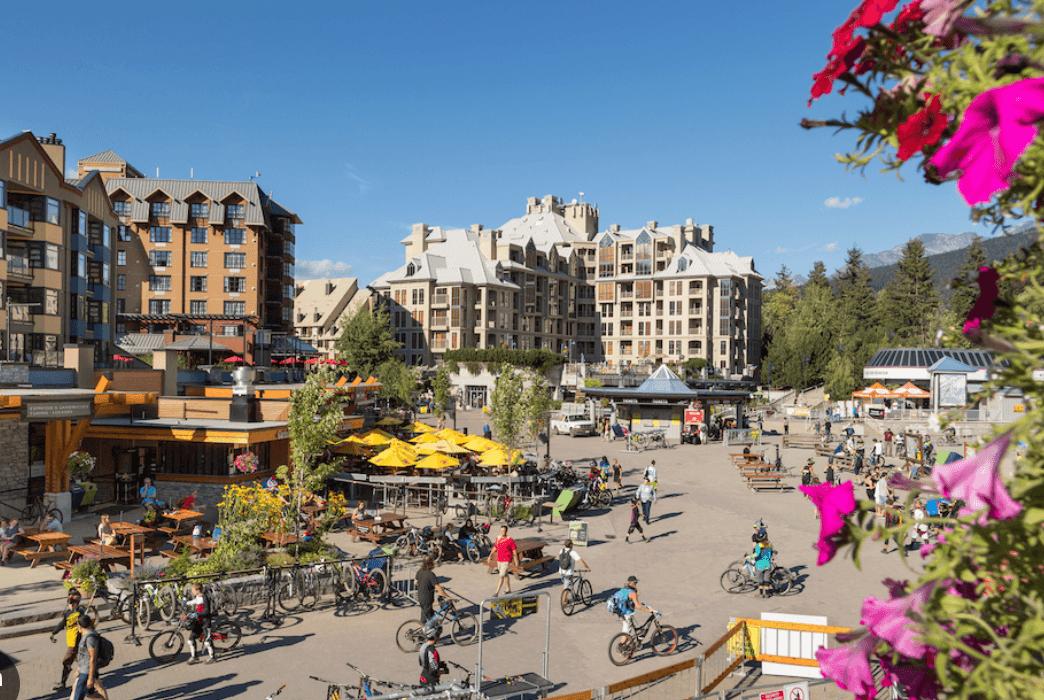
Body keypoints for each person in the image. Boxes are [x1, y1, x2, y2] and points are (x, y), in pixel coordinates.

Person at [50, 592, 85, 692]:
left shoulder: (80, 613)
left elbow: (86, 625)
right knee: (79, 660)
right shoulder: (67, 613)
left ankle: (63, 683)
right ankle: (92, 673)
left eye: (73, 603)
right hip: (70, 641)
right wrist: (53, 633)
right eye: (69, 603)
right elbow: (62, 624)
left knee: (66, 661)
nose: (71, 605)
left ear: (77, 603)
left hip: (75, 642)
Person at [71, 614, 107, 700]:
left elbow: (92, 658)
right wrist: (79, 668)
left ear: (80, 626)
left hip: (87, 672)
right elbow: (84, 656)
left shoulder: (90, 638)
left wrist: (90, 678)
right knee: (89, 694)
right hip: (84, 670)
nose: (77, 627)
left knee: (78, 697)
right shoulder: (88, 635)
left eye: (77, 625)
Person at [184, 582, 215, 664]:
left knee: (207, 642)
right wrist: (186, 603)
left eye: (193, 590)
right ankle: (194, 656)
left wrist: (196, 614)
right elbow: (195, 601)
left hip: (205, 622)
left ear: (197, 590)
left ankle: (212, 657)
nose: (192, 592)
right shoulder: (198, 596)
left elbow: (207, 611)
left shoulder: (205, 598)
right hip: (198, 622)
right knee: (190, 640)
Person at [416, 556, 451, 623]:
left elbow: (415, 582)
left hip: (420, 596)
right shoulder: (431, 575)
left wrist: (423, 584)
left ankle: (428, 630)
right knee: (426, 619)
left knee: (428, 615)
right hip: (427, 599)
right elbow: (438, 588)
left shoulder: (420, 571)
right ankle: (421, 631)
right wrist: (447, 597)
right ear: (430, 564)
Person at [418, 624, 448, 689]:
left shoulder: (423, 646)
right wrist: (444, 672)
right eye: (438, 636)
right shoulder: (433, 651)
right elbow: (433, 672)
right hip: (431, 682)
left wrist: (439, 664)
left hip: (423, 678)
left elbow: (421, 663)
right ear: (435, 637)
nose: (439, 637)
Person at [492, 526, 519, 596]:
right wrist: (490, 556)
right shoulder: (498, 538)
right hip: (499, 560)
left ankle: (496, 592)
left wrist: (517, 560)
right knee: (505, 574)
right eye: (501, 530)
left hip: (506, 560)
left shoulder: (509, 539)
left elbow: (514, 550)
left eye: (503, 531)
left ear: (506, 532)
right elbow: (495, 547)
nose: (502, 532)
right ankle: (508, 589)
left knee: (501, 576)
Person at [749, 531, 774, 598]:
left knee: (760, 581)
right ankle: (767, 594)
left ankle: (761, 593)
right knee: (766, 580)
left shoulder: (758, 546)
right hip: (768, 565)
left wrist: (748, 557)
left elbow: (756, 554)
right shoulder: (769, 545)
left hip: (760, 566)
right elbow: (771, 552)